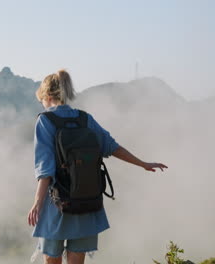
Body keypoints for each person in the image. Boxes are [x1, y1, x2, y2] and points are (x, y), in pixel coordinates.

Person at [28, 69, 168, 264]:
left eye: (41, 99)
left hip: (57, 206)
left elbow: (45, 169)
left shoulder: (45, 121)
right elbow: (112, 147)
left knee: (52, 259)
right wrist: (143, 164)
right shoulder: (85, 119)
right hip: (87, 202)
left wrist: (37, 203)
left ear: (48, 96)